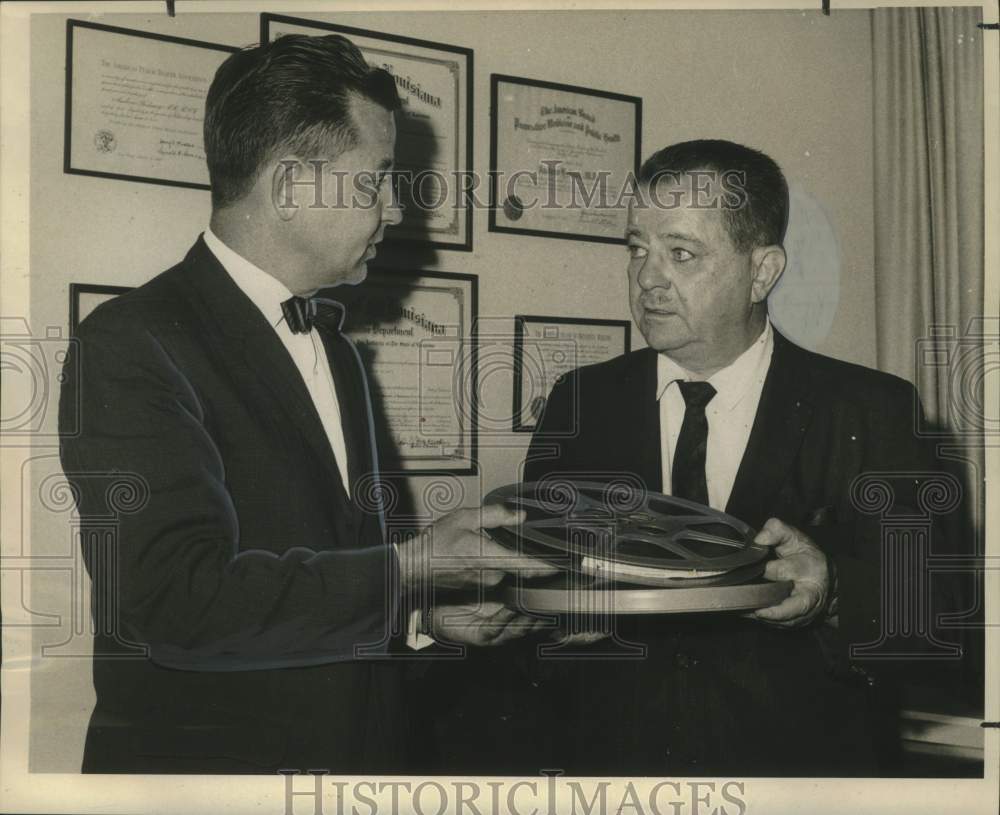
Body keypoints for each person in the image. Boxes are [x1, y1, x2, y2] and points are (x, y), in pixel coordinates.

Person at [57, 34, 551, 775]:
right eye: (374, 181)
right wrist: (412, 567)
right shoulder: (130, 343)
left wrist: (422, 618)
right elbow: (174, 602)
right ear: (291, 187)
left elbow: (322, 575)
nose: (393, 210)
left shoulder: (338, 353)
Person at [429, 139, 965, 777]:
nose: (647, 278)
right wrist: (529, 614)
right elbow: (547, 584)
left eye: (681, 253)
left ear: (761, 271)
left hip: (796, 778)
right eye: (637, 249)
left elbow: (944, 614)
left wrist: (835, 588)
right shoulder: (583, 400)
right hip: (616, 774)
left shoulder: (872, 409)